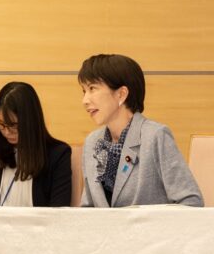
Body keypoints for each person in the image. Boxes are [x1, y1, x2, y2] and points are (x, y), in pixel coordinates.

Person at [79, 54, 202, 207]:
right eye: (83, 91)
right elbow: (87, 209)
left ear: (121, 94)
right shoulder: (92, 142)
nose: (85, 100)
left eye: (92, 88)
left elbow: (191, 203)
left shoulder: (155, 136)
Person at [0, 81, 71, 207]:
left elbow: (59, 210)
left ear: (31, 121)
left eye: (13, 125)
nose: (7, 132)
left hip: (39, 226)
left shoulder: (58, 154)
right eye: (1, 124)